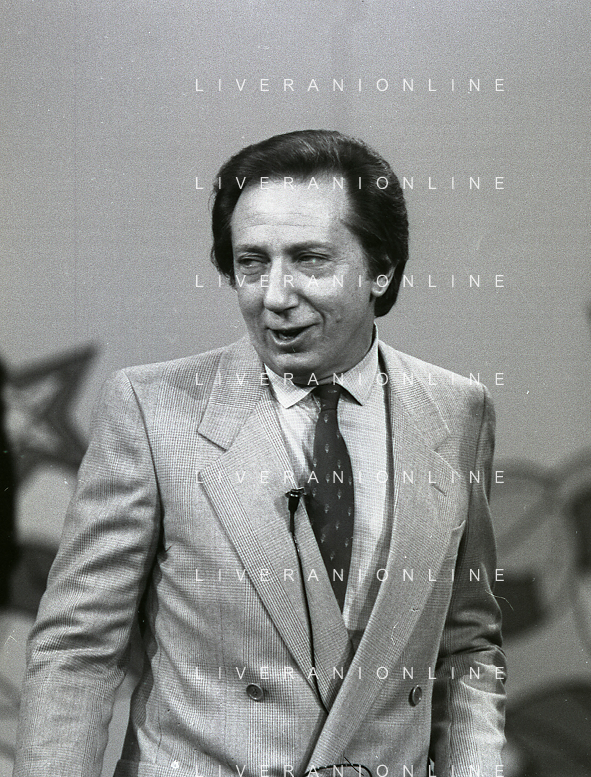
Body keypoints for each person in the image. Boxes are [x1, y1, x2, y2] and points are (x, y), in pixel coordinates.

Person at [16, 130, 505, 777]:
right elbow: (77, 652)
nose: (274, 295)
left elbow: (468, 648)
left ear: (381, 269)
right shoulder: (152, 409)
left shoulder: (457, 411)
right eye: (252, 263)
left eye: (309, 260)